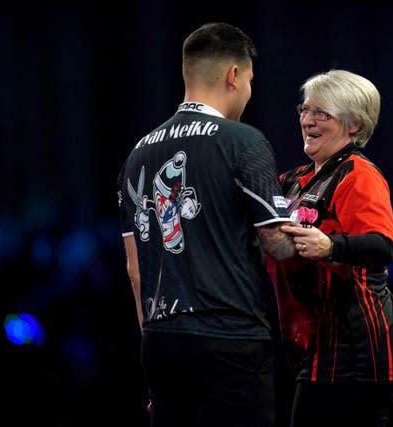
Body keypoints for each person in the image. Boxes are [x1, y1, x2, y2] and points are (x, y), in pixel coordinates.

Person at [116, 22, 296, 427]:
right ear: (234, 75)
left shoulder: (136, 155)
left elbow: (135, 271)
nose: (249, 92)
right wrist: (315, 229)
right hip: (230, 338)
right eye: (250, 81)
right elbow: (279, 245)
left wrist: (153, 362)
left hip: (161, 344)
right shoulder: (241, 140)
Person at [267, 69, 393, 426]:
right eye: (305, 109)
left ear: (354, 125)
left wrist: (331, 247)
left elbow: (383, 245)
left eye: (321, 114)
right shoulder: (293, 180)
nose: (307, 120)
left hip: (355, 348)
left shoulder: (358, 174)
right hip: (310, 346)